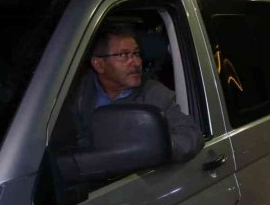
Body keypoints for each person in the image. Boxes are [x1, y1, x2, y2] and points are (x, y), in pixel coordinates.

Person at [71, 23, 203, 163]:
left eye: (136, 54)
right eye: (123, 55)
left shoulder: (153, 94)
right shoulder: (77, 93)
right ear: (99, 64)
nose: (136, 63)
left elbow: (190, 136)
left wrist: (148, 149)